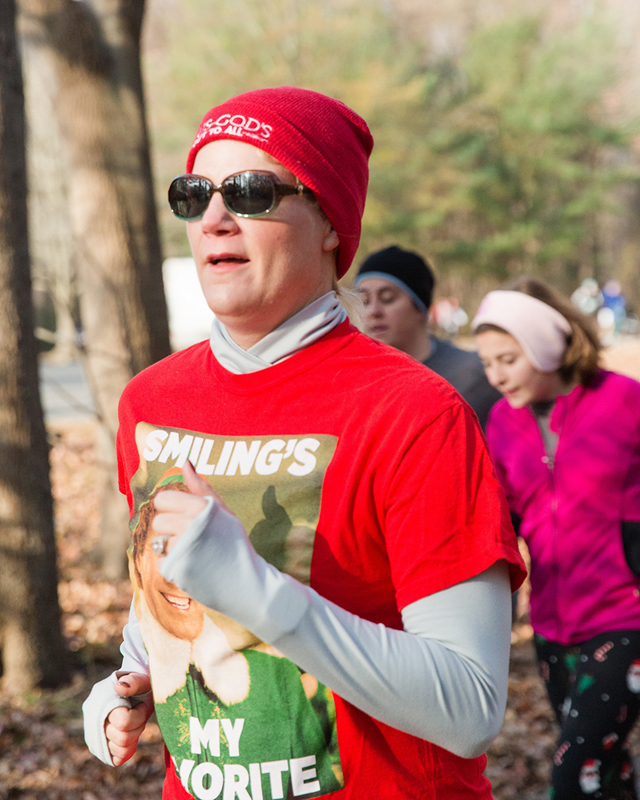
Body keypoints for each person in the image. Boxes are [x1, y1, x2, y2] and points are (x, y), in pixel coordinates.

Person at [83, 86, 525, 800]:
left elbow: (470, 708)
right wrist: (130, 675)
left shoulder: (415, 411)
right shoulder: (150, 401)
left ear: (328, 223)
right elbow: (163, 602)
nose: (215, 218)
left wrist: (256, 591)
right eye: (194, 194)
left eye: (250, 192)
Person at [473, 278, 640, 800]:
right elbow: (502, 516)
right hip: (551, 624)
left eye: (508, 359)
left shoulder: (624, 401)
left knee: (573, 774)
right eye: (487, 363)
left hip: (624, 617)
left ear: (546, 346)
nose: (496, 376)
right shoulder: (502, 421)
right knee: (606, 771)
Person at [355, 246, 501, 429]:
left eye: (387, 298)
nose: (373, 311)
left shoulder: (475, 375)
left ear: (420, 306)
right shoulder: (353, 381)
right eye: (364, 301)